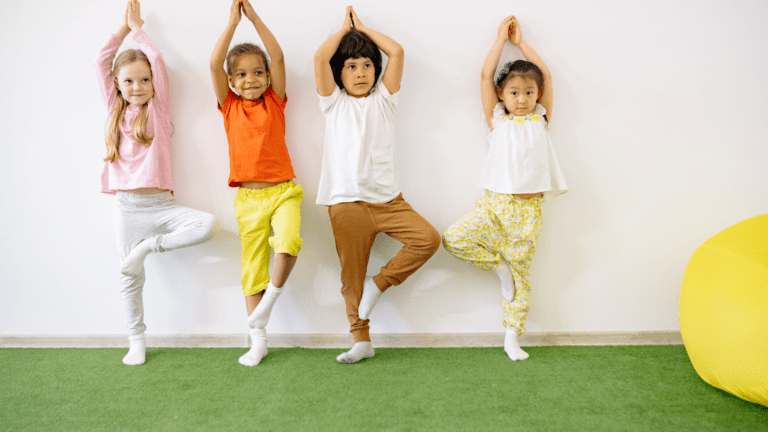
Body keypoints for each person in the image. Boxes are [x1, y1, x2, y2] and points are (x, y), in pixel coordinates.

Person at [314, 6, 441, 364]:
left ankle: (379, 285)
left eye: (367, 65)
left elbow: (397, 52)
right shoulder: (332, 103)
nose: (361, 72)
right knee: (350, 278)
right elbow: (319, 58)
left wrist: (364, 29)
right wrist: (344, 31)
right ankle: (361, 340)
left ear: (376, 70)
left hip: (388, 201)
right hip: (346, 204)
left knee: (428, 239)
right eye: (351, 66)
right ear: (339, 74)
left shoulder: (385, 100)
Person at [96, 0, 219, 365]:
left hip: (162, 206)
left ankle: (150, 247)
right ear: (117, 85)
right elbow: (101, 60)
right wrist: (122, 29)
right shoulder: (114, 110)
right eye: (129, 81)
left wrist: (139, 30)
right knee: (129, 278)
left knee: (209, 225)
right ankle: (136, 340)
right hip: (127, 208)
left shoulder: (159, 108)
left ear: (154, 83)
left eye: (145, 80)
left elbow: (158, 60)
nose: (138, 87)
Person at [442, 16, 567, 361]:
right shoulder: (497, 121)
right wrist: (501, 40)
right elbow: (485, 77)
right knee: (454, 238)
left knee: (522, 277)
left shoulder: (541, 119)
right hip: (496, 206)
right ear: (502, 94)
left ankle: (512, 336)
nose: (522, 99)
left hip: (528, 212)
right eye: (514, 92)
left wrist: (522, 43)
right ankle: (501, 269)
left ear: (537, 95)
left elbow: (547, 76)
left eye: (529, 92)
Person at [210, 0, 303, 366]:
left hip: (283, 192)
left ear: (267, 77)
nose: (251, 79)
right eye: (242, 74)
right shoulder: (229, 106)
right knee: (252, 269)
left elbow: (277, 57)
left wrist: (254, 18)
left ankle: (271, 300)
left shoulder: (274, 102)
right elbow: (214, 64)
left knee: (288, 240)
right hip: (247, 200)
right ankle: (258, 340)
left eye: (258, 72)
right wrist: (232, 23)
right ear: (232, 81)